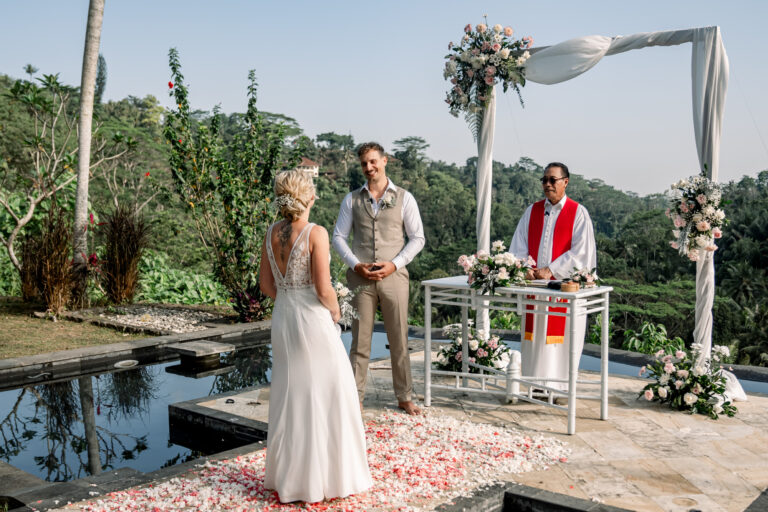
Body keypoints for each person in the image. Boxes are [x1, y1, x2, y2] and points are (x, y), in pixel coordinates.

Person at [259, 170, 371, 503]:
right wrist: (336, 313)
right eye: (314, 191)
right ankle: (329, 479)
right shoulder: (315, 233)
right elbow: (324, 288)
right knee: (331, 393)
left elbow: (266, 285)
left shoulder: (269, 233)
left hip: (283, 319)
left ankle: (291, 480)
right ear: (307, 197)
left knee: (291, 395)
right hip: (311, 321)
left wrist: (289, 299)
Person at [332, 142, 426, 415]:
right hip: (360, 278)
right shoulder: (351, 199)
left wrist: (394, 264)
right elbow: (338, 236)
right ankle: (355, 397)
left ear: (385, 161)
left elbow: (417, 237)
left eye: (373, 161)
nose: (369, 167)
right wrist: (355, 264)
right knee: (359, 339)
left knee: (399, 337)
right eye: (364, 164)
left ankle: (404, 396)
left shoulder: (404, 197)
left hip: (394, 277)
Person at [509, 162, 596, 394]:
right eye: (544, 180)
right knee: (535, 339)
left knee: (559, 342)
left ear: (565, 182)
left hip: (561, 290)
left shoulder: (578, 213)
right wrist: (524, 266)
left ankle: (559, 389)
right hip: (535, 289)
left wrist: (551, 269)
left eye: (552, 180)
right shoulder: (533, 211)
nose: (547, 184)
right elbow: (518, 246)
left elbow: (582, 254)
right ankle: (533, 386)